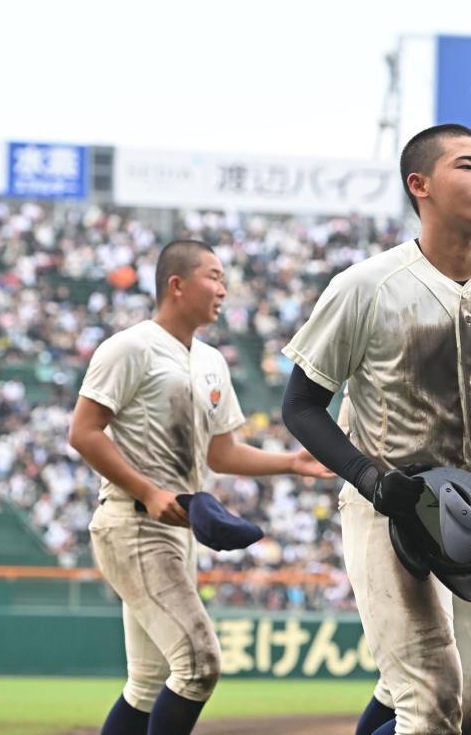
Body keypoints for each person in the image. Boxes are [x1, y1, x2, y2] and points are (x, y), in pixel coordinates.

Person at [280, 123, 471, 735]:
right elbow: (302, 405)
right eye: (466, 166)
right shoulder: (365, 286)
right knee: (430, 698)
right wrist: (366, 476)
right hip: (390, 504)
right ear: (421, 186)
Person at [69, 239, 329, 735]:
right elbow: (83, 432)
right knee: (199, 664)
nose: (223, 290)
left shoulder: (212, 360)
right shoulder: (130, 347)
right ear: (177, 284)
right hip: (132, 521)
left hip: (176, 530)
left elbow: (221, 453)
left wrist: (291, 463)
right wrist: (146, 489)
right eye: (213, 277)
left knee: (148, 684)